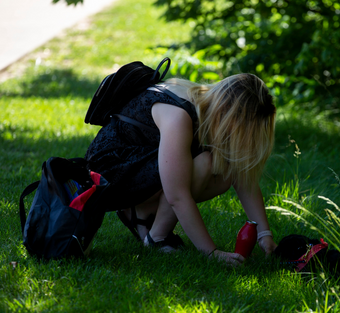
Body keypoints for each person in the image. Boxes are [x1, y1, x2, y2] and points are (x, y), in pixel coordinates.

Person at [85, 72, 277, 266]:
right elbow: (177, 195)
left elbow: (242, 175)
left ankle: (142, 215)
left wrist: (264, 233)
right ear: (228, 114)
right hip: (110, 175)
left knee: (224, 171)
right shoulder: (178, 116)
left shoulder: (204, 101)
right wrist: (212, 253)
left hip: (134, 163)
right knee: (206, 164)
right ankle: (155, 235)